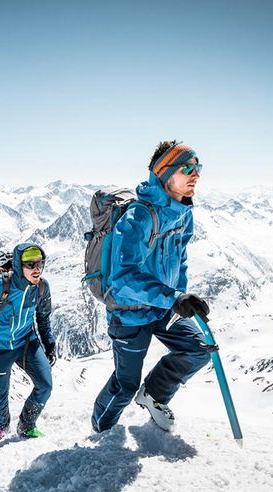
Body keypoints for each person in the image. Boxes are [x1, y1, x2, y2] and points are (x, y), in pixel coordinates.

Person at [91, 141, 212, 433]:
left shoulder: (184, 213)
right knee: (125, 385)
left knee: (198, 349)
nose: (195, 174)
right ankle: (100, 432)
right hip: (129, 312)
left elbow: (179, 261)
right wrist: (172, 297)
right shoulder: (139, 217)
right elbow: (122, 277)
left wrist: (180, 298)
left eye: (198, 168)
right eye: (187, 168)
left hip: (162, 306)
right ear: (165, 173)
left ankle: (155, 395)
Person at [0, 243, 56, 444]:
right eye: (30, 264)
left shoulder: (41, 287)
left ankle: (26, 425)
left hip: (27, 342)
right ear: (18, 265)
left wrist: (49, 345)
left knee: (45, 385)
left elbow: (43, 317)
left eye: (40, 263)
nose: (37, 268)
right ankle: (2, 428)